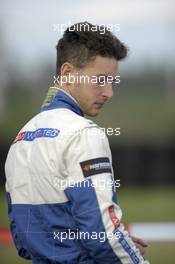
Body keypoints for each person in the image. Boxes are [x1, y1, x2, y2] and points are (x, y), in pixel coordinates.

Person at [5, 22, 150, 264]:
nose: (109, 92)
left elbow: (24, 241)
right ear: (68, 73)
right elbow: (104, 237)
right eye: (101, 80)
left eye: (112, 81)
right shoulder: (83, 133)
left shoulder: (21, 137)